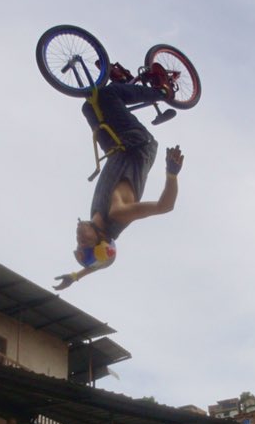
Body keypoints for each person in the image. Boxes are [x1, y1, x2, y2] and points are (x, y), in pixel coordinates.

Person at [53, 64, 185, 289]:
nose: (78, 236)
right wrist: (171, 174)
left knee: (89, 108)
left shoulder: (96, 217)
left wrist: (76, 276)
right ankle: (162, 91)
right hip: (137, 145)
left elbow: (100, 263)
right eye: (84, 240)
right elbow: (165, 206)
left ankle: (125, 81)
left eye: (78, 241)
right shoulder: (119, 213)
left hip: (116, 149)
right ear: (100, 237)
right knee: (107, 95)